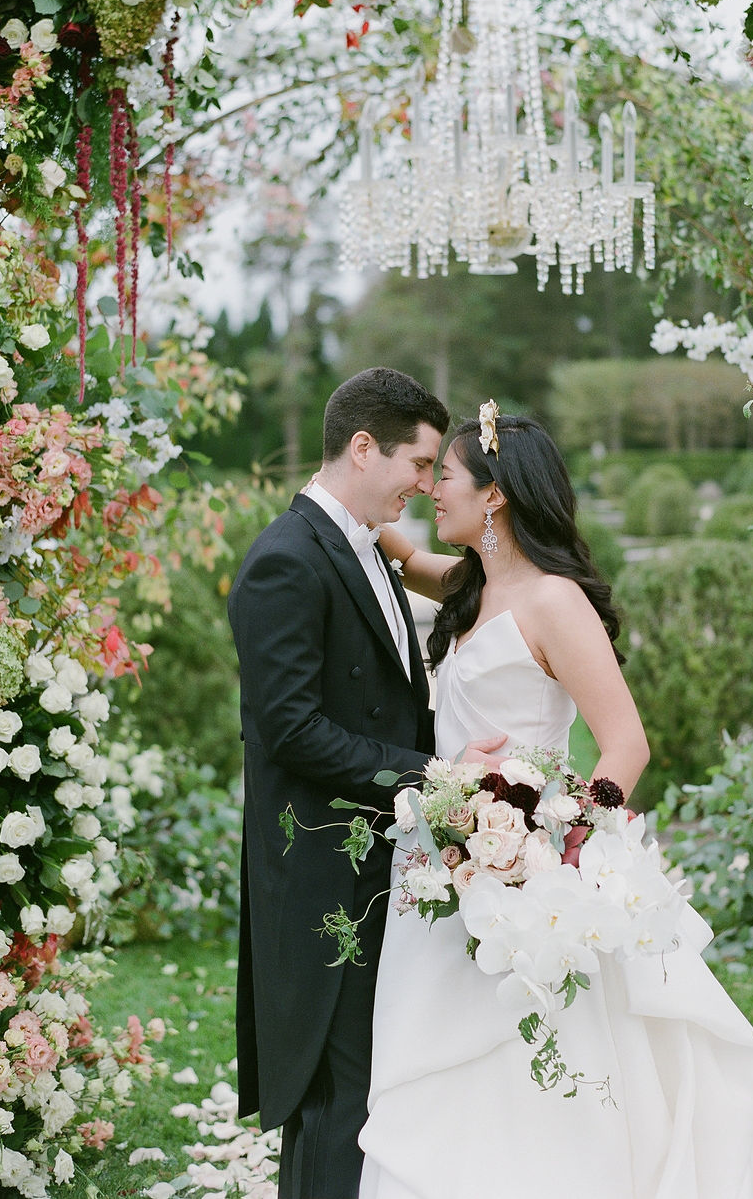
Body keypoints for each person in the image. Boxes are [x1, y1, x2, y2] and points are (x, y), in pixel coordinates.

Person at [357, 406, 753, 1199]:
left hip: (533, 868)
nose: (431, 490)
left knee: (543, 1057)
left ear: (496, 495)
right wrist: (348, 500)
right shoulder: (468, 587)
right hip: (449, 867)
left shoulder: (554, 602)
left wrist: (560, 832)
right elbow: (399, 551)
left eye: (444, 477)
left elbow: (626, 746)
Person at [227, 368, 506, 1199]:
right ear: (361, 447)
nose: (426, 484)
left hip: (378, 867)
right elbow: (292, 729)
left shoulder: (367, 550)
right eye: (419, 464)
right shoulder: (284, 562)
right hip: (319, 872)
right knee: (332, 1097)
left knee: (364, 1092)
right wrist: (439, 775)